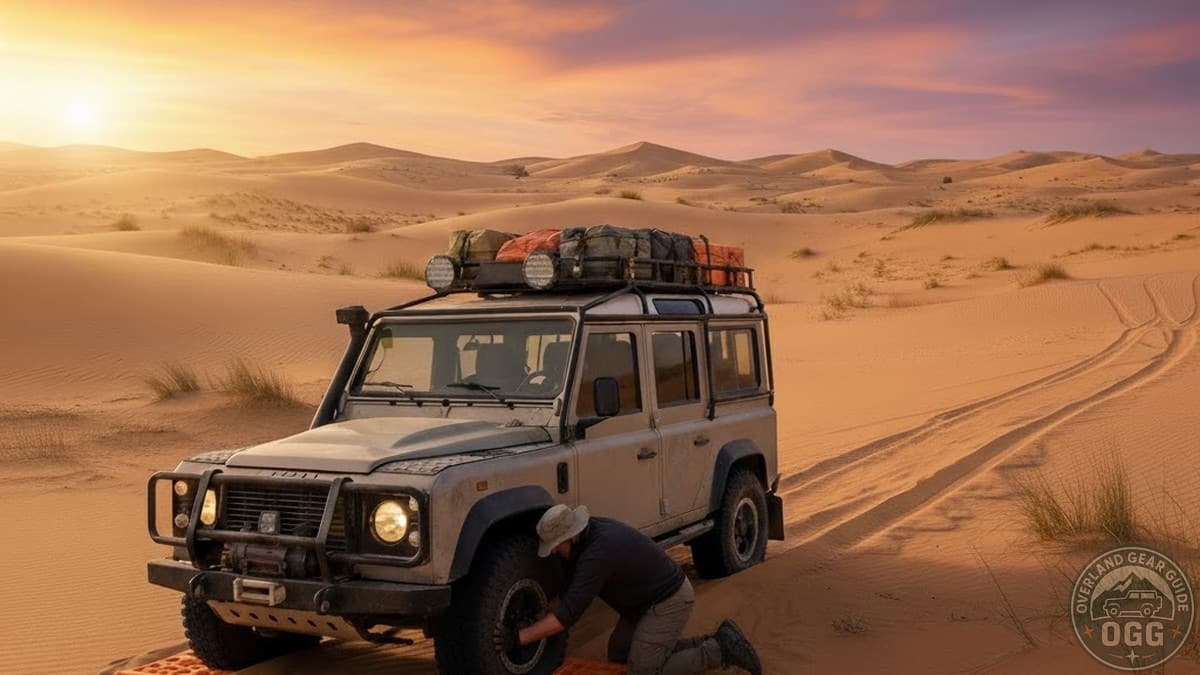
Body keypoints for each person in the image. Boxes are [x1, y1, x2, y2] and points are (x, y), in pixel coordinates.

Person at [497, 504, 762, 675]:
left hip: (668, 601)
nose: (553, 551)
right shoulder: (584, 542)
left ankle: (720, 650)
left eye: (555, 545)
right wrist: (539, 615)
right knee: (620, 656)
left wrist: (519, 639)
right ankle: (713, 639)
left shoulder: (597, 555)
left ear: (571, 536)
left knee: (642, 672)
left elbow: (567, 615)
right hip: (642, 605)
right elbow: (566, 595)